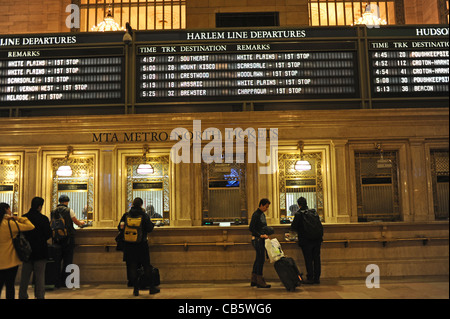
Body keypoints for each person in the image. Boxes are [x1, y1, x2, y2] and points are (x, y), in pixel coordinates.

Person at [118, 197, 159, 296]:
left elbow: (120, 227)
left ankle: (135, 289)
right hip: (141, 245)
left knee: (132, 266)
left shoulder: (126, 215)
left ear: (132, 204)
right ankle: (151, 288)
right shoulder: (144, 215)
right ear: (141, 205)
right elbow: (149, 229)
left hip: (129, 245)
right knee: (146, 266)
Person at [19, 197, 52, 299]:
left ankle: (22, 295)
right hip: (40, 252)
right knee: (40, 278)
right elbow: (48, 234)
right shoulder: (44, 219)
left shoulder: (24, 218)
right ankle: (39, 296)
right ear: (40, 206)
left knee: (24, 277)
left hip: (27, 252)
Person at [0, 202, 35, 299]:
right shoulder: (10, 224)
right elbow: (30, 226)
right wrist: (17, 218)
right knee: (10, 286)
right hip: (11, 261)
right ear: (6, 210)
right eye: (9, 209)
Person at [50, 194, 85, 288]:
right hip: (67, 239)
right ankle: (65, 282)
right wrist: (82, 223)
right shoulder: (69, 210)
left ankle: (56, 282)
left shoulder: (53, 211)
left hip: (56, 239)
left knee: (57, 261)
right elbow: (76, 222)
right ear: (67, 202)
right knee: (67, 260)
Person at [291, 197, 323, 284]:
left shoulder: (298, 214)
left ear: (299, 204)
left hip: (306, 240)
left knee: (308, 259)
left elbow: (293, 227)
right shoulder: (313, 212)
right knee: (316, 258)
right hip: (317, 240)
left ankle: (310, 277)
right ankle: (317, 278)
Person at [249, 198, 271, 288]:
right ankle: (260, 280)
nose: (267, 208)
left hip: (260, 239)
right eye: (266, 206)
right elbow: (251, 228)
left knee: (258, 259)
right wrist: (260, 235)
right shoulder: (256, 215)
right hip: (258, 239)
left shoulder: (261, 214)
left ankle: (254, 279)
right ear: (261, 205)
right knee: (260, 259)